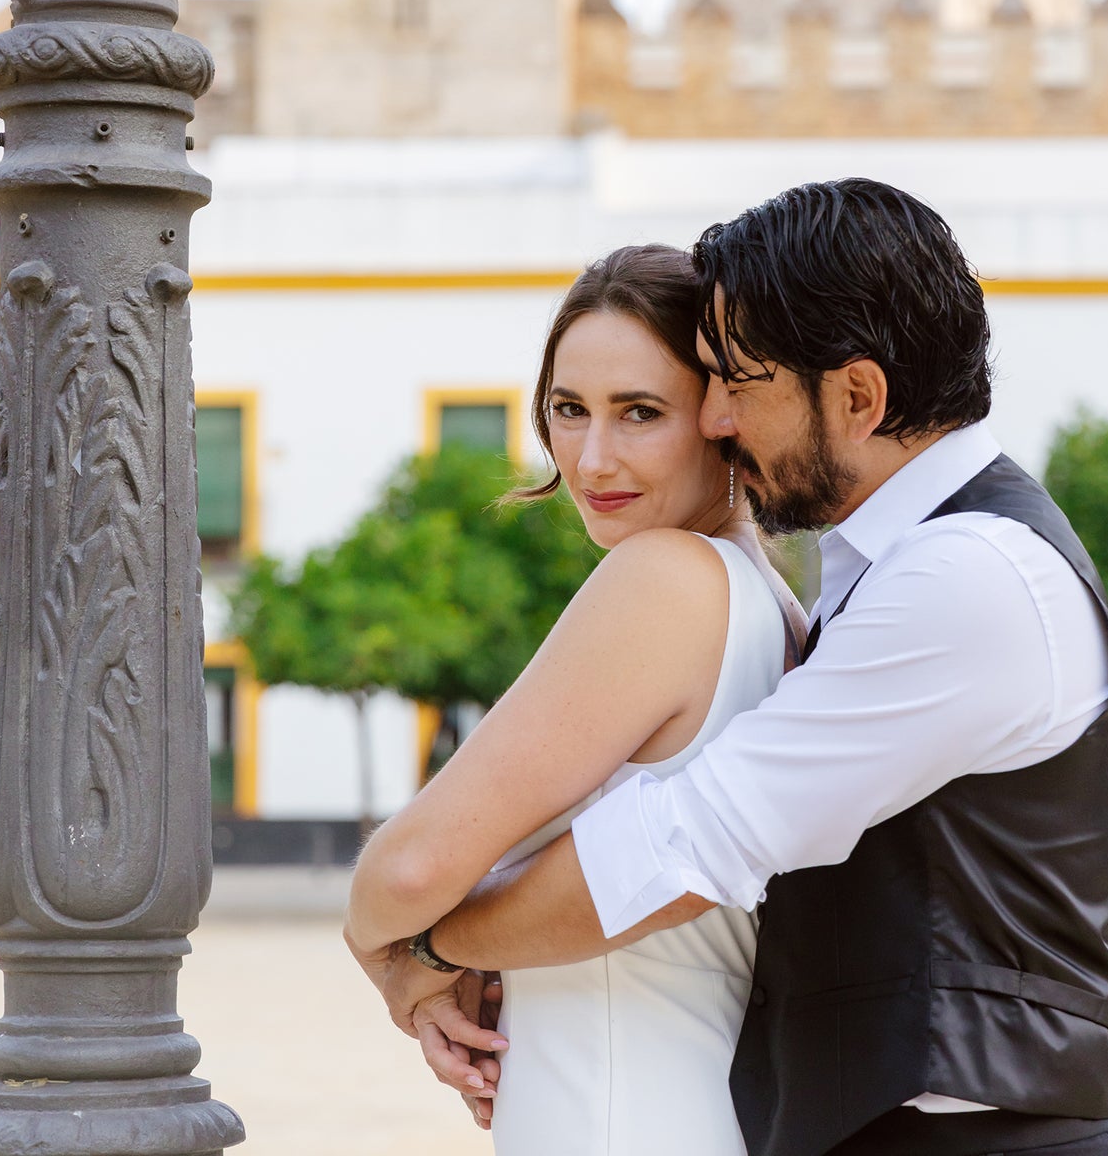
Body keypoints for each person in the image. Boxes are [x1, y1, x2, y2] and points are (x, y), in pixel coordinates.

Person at [371, 178, 1108, 1156]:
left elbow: (686, 847)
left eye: (737, 381)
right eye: (567, 407)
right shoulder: (852, 576)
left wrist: (426, 946)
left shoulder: (966, 573)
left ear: (857, 396)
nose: (719, 418)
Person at [345, 243, 804, 1155]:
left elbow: (405, 871)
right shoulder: (777, 607)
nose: (593, 458)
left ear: (724, 419)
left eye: (640, 412)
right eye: (568, 411)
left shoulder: (664, 580)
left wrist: (392, 961)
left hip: (612, 1117)